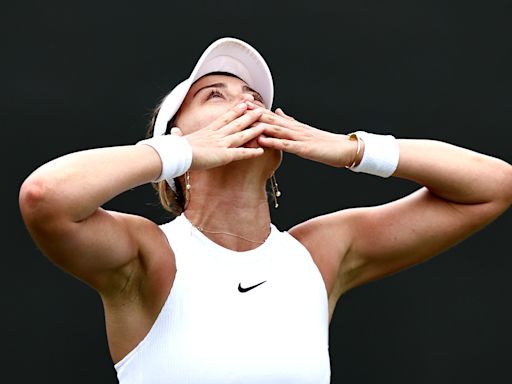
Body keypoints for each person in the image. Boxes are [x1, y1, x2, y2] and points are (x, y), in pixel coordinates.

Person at [19, 37, 511, 383]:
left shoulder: (320, 253)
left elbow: (494, 185)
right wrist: (179, 150)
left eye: (254, 98)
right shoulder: (147, 255)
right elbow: (46, 197)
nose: (248, 106)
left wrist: (353, 149)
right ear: (178, 140)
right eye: (217, 96)